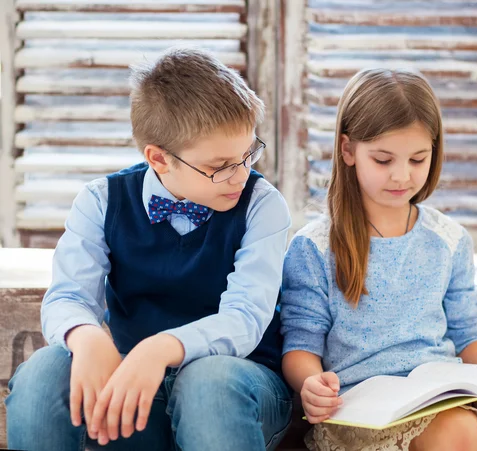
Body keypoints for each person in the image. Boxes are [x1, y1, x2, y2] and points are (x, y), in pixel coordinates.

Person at [6, 48, 292, 451]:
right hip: (137, 390)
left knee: (207, 383)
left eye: (249, 154)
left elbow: (244, 317)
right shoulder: (101, 201)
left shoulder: (262, 205)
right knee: (44, 369)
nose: (241, 175)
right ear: (159, 158)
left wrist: (160, 348)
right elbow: (68, 296)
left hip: (237, 388)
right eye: (221, 164)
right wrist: (86, 336)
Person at [280, 68, 477, 451]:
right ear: (347, 150)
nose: (401, 176)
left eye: (417, 159)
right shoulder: (316, 247)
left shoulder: (448, 240)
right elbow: (300, 344)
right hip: (363, 406)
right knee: (458, 431)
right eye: (384, 159)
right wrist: (310, 383)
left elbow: (466, 339)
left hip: (441, 390)